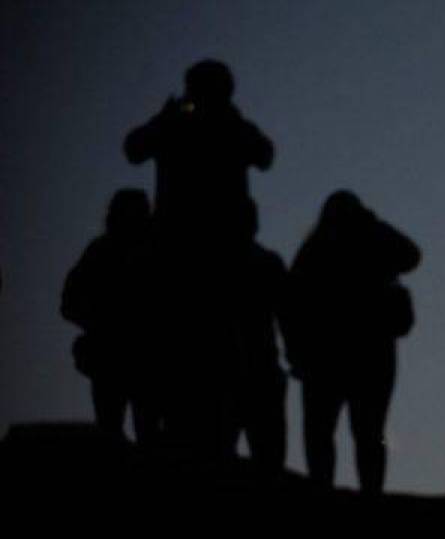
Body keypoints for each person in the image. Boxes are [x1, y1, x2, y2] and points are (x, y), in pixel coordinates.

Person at [284, 191, 419, 495]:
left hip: (339, 355)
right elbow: (292, 301)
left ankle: (336, 487)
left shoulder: (317, 248)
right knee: (359, 431)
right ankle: (361, 490)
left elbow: (412, 255)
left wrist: (296, 352)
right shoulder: (327, 248)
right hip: (357, 354)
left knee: (344, 431)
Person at [124, 59, 273, 236]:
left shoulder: (231, 127)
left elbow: (265, 156)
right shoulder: (176, 123)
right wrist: (164, 120)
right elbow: (134, 150)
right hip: (192, 231)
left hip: (218, 233)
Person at [61, 189, 158, 443]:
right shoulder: (101, 252)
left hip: (144, 355)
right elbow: (69, 303)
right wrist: (102, 323)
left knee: (145, 433)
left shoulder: (154, 253)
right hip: (112, 355)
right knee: (111, 431)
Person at [223, 200, 289, 470]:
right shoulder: (267, 262)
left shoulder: (212, 266)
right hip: (251, 368)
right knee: (268, 453)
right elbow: (289, 315)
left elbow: (288, 314)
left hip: (244, 368)